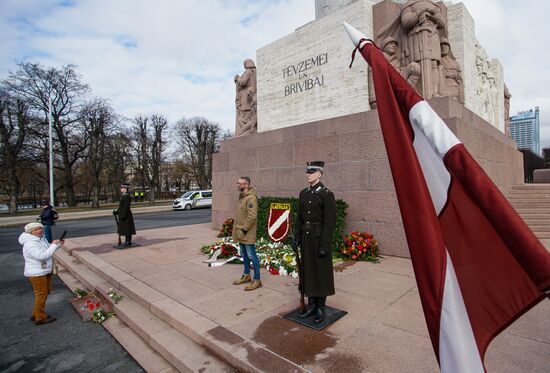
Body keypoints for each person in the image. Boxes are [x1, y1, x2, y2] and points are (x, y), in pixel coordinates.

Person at [292, 161, 336, 324]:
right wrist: (297, 236)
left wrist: (324, 245)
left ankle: (320, 307)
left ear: (319, 174)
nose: (308, 174)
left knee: (320, 272)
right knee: (308, 271)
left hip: (319, 240)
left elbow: (329, 222)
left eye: (311, 172)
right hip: (306, 239)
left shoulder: (326, 194)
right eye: (307, 172)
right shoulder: (303, 193)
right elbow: (300, 218)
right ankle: (311, 305)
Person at [19, 222, 65, 325]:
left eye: (40, 228)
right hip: (36, 273)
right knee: (41, 294)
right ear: (30, 232)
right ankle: (40, 317)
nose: (39, 231)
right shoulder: (30, 243)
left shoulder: (40, 238)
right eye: (36, 230)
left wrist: (58, 245)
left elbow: (47, 249)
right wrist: (53, 245)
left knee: (46, 292)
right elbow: (42, 256)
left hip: (43, 271)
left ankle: (36, 313)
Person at [232, 176, 261, 291]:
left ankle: (257, 280)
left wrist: (244, 229)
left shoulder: (251, 198)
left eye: (240, 183)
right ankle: (246, 275)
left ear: (246, 185)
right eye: (237, 182)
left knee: (252, 256)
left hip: (247, 232)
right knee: (244, 255)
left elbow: (252, 216)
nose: (237, 185)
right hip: (241, 231)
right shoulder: (242, 197)